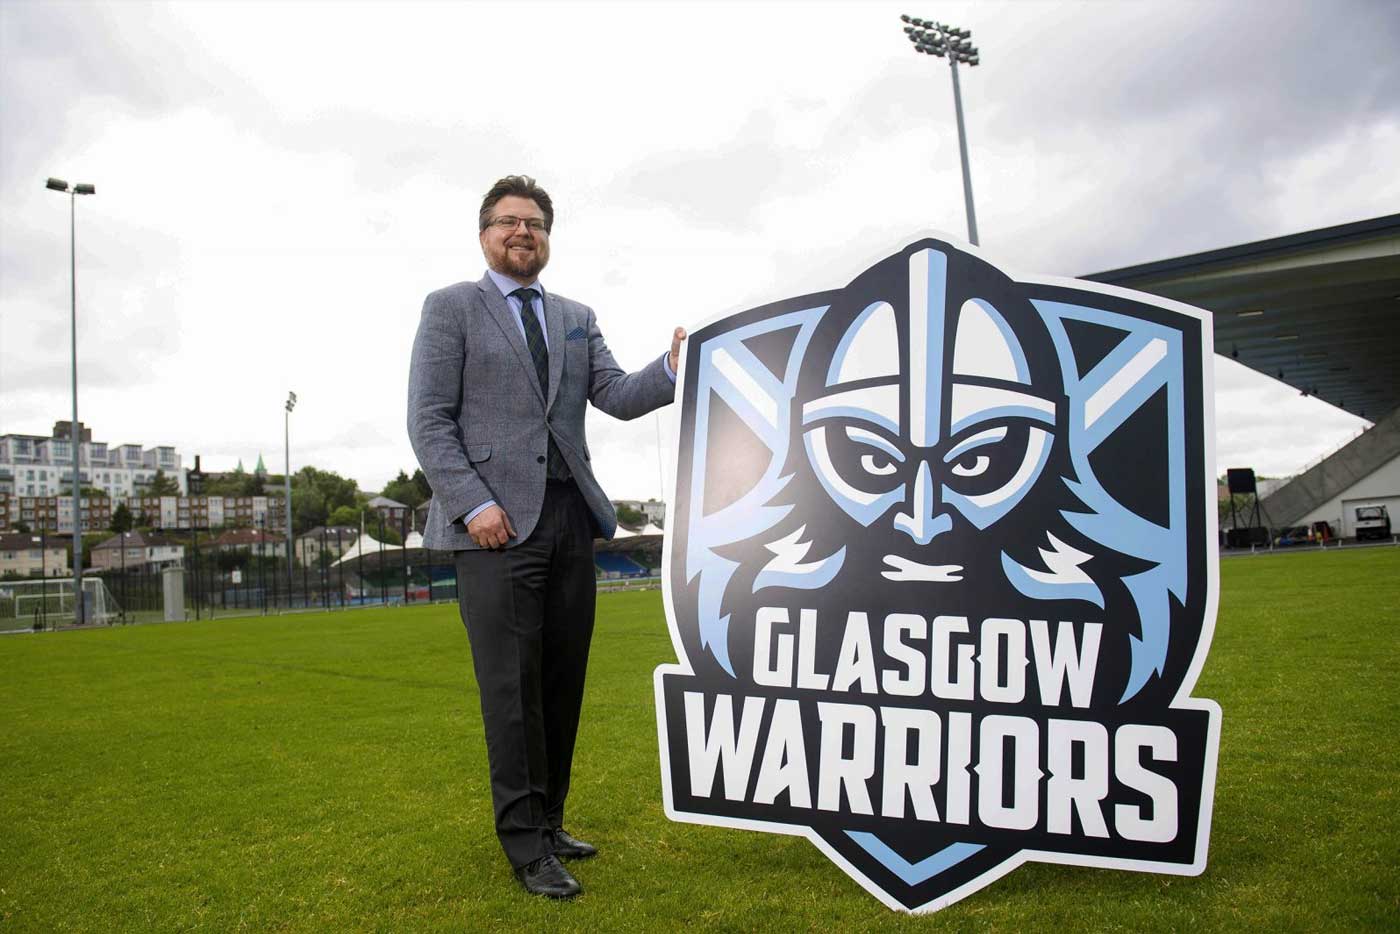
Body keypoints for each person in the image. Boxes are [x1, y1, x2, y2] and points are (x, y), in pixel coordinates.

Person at [407, 175, 684, 899]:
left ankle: (552, 821)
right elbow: (429, 421)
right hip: (494, 529)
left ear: (548, 236)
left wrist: (674, 368)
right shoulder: (450, 309)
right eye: (507, 221)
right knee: (512, 692)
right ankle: (526, 845)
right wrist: (473, 505)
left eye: (534, 222)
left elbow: (618, 396)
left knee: (561, 684)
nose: (522, 232)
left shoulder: (574, 315)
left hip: (569, 519)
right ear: (484, 235)